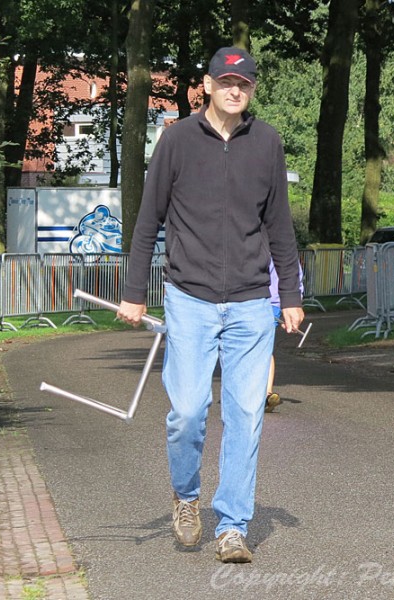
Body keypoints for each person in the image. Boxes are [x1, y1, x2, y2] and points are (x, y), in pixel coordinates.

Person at [116, 46, 304, 564]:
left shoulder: (266, 143)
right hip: (190, 299)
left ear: (252, 89)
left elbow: (279, 226)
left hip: (250, 303)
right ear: (206, 85)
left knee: (246, 414)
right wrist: (134, 292)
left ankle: (232, 526)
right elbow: (147, 222)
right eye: (225, 82)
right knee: (188, 412)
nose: (234, 90)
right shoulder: (176, 140)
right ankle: (186, 496)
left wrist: (289, 294)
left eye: (243, 84)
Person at [264, 258, 304, 413]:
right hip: (250, 301)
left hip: (272, 303)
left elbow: (294, 272)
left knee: (264, 345)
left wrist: (294, 303)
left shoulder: (276, 243)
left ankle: (267, 394)